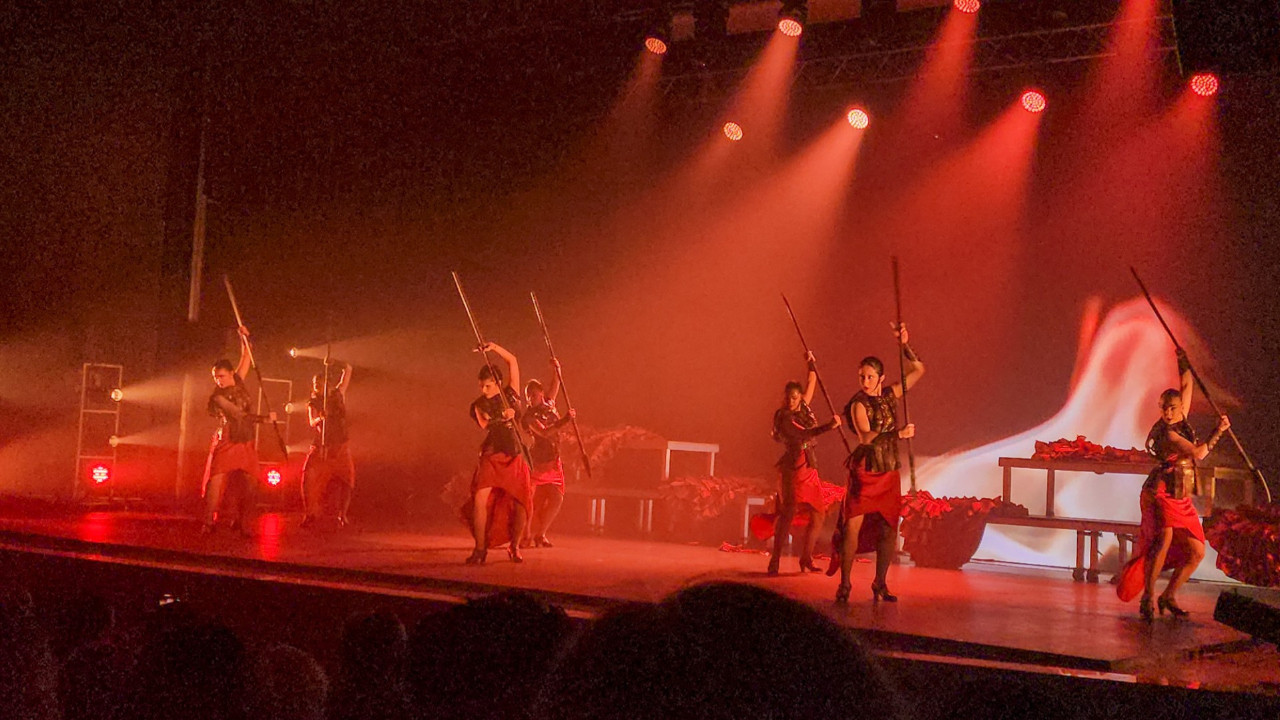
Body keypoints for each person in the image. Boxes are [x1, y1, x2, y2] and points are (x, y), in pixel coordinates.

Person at [1116, 348, 1227, 620]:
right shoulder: (1168, 434)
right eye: (1164, 407)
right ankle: (1148, 597)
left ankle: (1168, 596)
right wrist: (1219, 430)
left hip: (1180, 495)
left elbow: (1186, 385)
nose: (1167, 412)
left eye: (1172, 407)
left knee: (1197, 551)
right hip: (1160, 493)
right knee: (1163, 539)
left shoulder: (1181, 416)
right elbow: (1199, 453)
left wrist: (1182, 360)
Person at [830, 323, 924, 604]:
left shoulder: (890, 395)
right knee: (852, 527)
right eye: (862, 376)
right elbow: (865, 436)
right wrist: (898, 434)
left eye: (870, 376)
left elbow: (918, 370)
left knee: (888, 529)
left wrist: (904, 344)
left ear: (881, 378)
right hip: (866, 471)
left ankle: (880, 582)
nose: (865, 380)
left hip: (888, 470)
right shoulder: (857, 404)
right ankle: (845, 584)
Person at [766, 352, 843, 575]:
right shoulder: (783, 417)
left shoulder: (803, 407)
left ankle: (806, 558)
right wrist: (829, 426)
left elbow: (812, 382)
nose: (791, 401)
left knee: (819, 513)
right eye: (788, 397)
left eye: (794, 398)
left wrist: (810, 362)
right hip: (792, 469)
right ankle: (775, 559)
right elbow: (805, 434)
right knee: (788, 513)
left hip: (808, 467)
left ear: (799, 398)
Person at [464, 342, 533, 564]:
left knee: (520, 502)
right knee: (479, 498)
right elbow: (485, 424)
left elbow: (512, 361)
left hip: (514, 452)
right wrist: (502, 417)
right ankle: (479, 549)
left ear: (498, 383)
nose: (483, 390)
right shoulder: (478, 404)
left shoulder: (511, 394)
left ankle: (514, 546)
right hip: (493, 453)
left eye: (487, 386)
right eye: (481, 386)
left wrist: (493, 347)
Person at [203, 326, 274, 536]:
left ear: (231, 373)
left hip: (246, 440)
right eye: (216, 377)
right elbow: (239, 414)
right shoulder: (218, 396)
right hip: (228, 439)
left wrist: (243, 337)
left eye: (222, 376)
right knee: (216, 480)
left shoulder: (239, 380)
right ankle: (209, 521)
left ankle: (242, 522)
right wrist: (265, 419)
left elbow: (246, 356)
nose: (219, 380)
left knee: (251, 482)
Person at [520, 358, 577, 548]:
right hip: (537, 462)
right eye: (528, 396)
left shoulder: (549, 404)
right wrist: (565, 420)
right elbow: (545, 433)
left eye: (534, 395)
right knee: (529, 501)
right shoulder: (528, 417)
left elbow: (556, 383)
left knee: (557, 498)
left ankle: (541, 534)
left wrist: (557, 368)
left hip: (553, 460)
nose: (531, 399)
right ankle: (525, 535)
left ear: (541, 394)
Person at [301, 361, 355, 529]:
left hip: (340, 444)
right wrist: (320, 417)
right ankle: (310, 513)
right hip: (322, 445)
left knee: (347, 479)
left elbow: (348, 371)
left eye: (319, 383)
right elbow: (312, 421)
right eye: (315, 384)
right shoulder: (314, 402)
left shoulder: (338, 394)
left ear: (327, 383)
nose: (316, 386)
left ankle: (342, 514)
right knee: (309, 477)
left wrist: (335, 363)